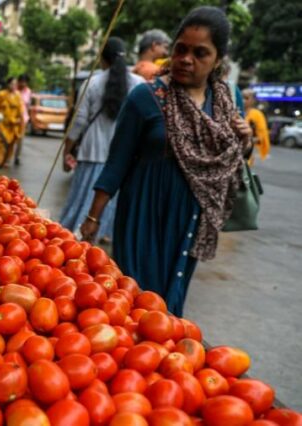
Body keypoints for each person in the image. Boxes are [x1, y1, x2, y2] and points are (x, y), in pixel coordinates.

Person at [80, 7, 253, 316]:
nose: (186, 59)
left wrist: (245, 139)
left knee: (168, 308)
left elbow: (229, 159)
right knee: (135, 304)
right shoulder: (145, 98)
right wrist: (92, 218)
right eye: (181, 49)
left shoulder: (229, 99)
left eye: (200, 53)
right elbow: (116, 164)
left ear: (218, 59)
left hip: (189, 218)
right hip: (142, 213)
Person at [59, 37, 145, 244]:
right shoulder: (139, 85)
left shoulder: (93, 83)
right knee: (109, 205)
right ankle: (101, 239)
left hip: (92, 152)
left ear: (103, 59)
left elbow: (78, 122)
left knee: (82, 201)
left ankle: (74, 244)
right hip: (122, 158)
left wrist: (66, 150)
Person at [0, 77, 25, 166]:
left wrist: (21, 121)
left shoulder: (18, 95)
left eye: (15, 84)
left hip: (14, 124)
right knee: (0, 143)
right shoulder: (2, 94)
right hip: (2, 123)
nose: (14, 86)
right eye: (12, 84)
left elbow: (21, 109)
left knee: (11, 143)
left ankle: (6, 160)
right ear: (8, 84)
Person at [242, 88, 271, 163]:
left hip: (245, 154)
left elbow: (261, 136)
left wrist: (247, 141)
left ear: (253, 101)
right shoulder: (232, 109)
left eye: (246, 98)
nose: (243, 100)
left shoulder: (257, 115)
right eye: (241, 97)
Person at [15, 74, 32, 165]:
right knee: (10, 139)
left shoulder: (28, 91)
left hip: (23, 118)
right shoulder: (14, 90)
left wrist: (28, 117)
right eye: (21, 82)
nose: (23, 84)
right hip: (12, 118)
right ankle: (6, 157)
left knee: (20, 139)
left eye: (25, 82)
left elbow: (28, 105)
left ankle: (17, 156)